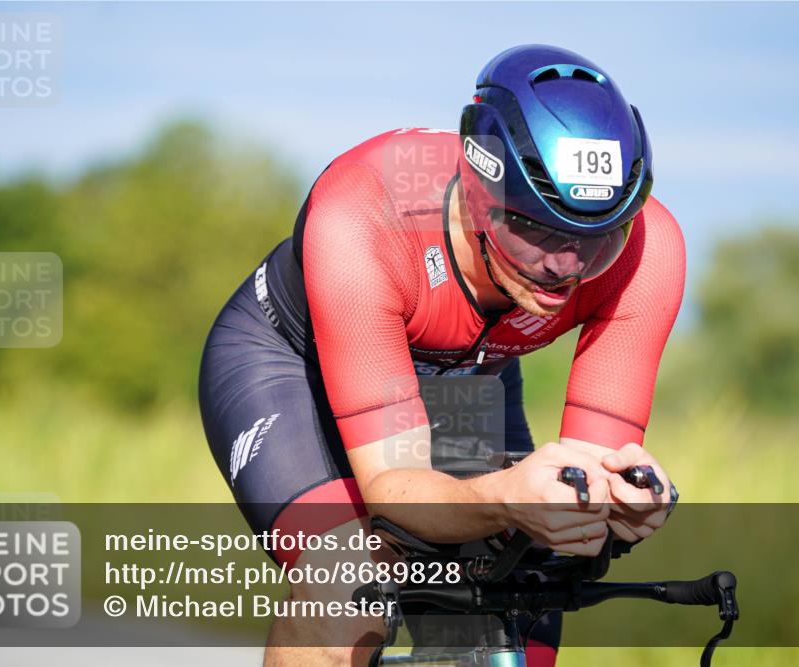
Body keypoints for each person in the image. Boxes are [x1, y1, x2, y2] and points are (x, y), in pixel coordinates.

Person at [199, 44, 685, 667]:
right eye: (535, 227)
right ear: (481, 194)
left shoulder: (648, 249)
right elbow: (394, 489)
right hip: (293, 364)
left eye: (595, 238)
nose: (564, 267)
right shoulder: (364, 214)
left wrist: (616, 501)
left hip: (465, 381)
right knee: (344, 586)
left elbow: (588, 470)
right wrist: (507, 496)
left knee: (530, 586)